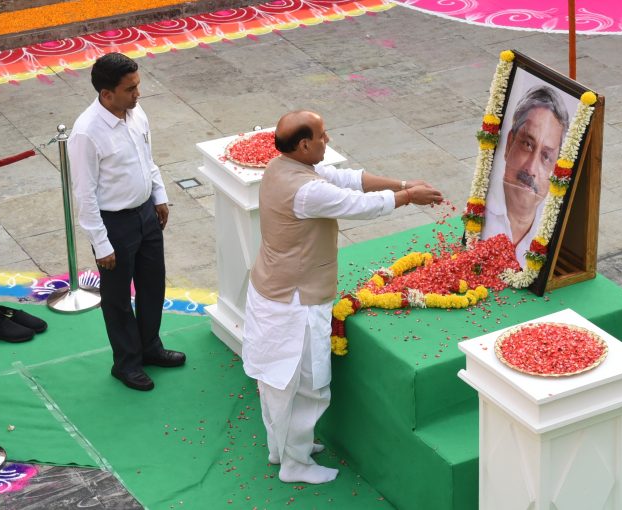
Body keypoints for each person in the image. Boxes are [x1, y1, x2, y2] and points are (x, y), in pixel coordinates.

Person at [242, 110, 443, 484]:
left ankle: (282, 448)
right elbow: (359, 205)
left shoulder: (280, 166)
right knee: (305, 386)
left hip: (276, 294)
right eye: (322, 135)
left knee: (276, 382)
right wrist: (407, 197)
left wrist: (402, 182)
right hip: (295, 303)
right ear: (304, 145)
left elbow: (348, 179)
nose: (328, 140)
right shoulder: (307, 190)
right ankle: (294, 464)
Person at [68, 53, 185, 392]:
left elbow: (147, 159)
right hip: (113, 223)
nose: (138, 94)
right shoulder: (86, 133)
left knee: (153, 285)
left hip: (146, 213)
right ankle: (127, 363)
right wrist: (100, 243)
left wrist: (159, 196)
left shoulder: (136, 113)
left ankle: (151, 347)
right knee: (118, 298)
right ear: (107, 94)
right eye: (131, 89)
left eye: (138, 86)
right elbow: (85, 193)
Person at [481, 86, 569, 267]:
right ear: (509, 144)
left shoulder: (554, 235)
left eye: (546, 156)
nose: (531, 169)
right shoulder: (482, 208)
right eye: (527, 144)